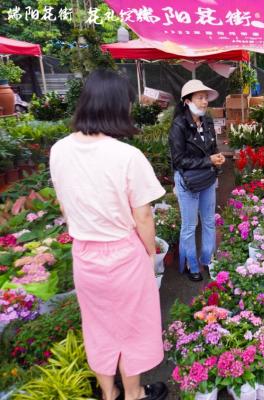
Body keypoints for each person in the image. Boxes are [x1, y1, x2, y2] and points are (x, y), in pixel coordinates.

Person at [49, 69, 167, 400]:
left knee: (97, 326)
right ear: (118, 107)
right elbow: (143, 217)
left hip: (85, 253)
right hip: (124, 253)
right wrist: (149, 253)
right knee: (132, 326)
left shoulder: (59, 150)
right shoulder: (127, 156)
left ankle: (108, 392)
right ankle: (134, 394)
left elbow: (64, 205)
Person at [168, 80, 225, 282]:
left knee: (209, 221)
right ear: (187, 101)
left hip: (207, 178)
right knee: (190, 225)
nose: (204, 102)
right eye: (199, 98)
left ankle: (208, 260)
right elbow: (178, 160)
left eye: (205, 98)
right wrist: (207, 160)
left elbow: (212, 149)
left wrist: (217, 158)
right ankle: (193, 265)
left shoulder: (208, 122)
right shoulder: (179, 126)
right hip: (188, 182)